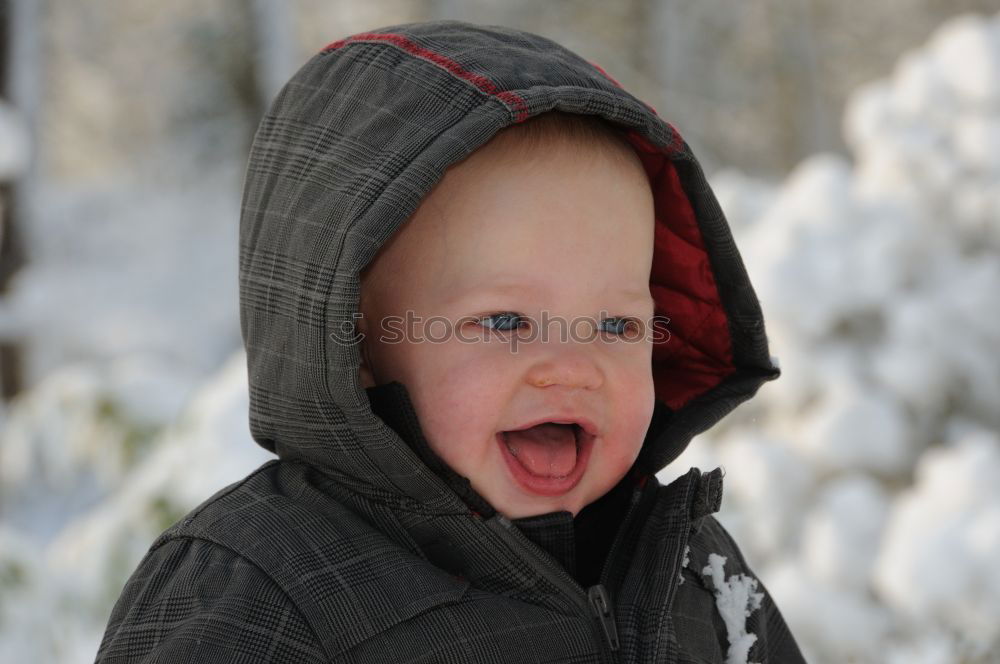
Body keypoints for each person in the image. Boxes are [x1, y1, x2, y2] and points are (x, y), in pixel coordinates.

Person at [96, 20, 805, 663]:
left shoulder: (684, 563)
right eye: (504, 323)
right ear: (356, 344)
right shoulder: (263, 587)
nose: (571, 367)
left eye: (617, 325)